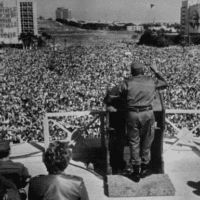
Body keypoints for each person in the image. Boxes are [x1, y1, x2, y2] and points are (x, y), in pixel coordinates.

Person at [105, 62, 167, 182]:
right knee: (147, 140)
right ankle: (144, 168)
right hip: (148, 113)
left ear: (132, 71)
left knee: (134, 142)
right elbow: (164, 83)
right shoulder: (151, 80)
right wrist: (156, 70)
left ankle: (136, 171)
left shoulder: (127, 82)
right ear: (143, 71)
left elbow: (112, 93)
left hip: (132, 114)